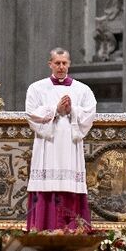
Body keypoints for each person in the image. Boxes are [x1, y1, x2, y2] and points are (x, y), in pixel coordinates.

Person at [25, 48, 97, 230]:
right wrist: (55, 109)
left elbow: (89, 115)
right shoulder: (37, 88)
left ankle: (73, 230)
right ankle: (42, 228)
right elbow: (31, 114)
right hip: (47, 146)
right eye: (57, 63)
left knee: (70, 186)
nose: (61, 67)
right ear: (50, 64)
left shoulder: (82, 89)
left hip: (70, 147)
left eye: (64, 63)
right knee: (46, 184)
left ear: (69, 64)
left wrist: (72, 110)